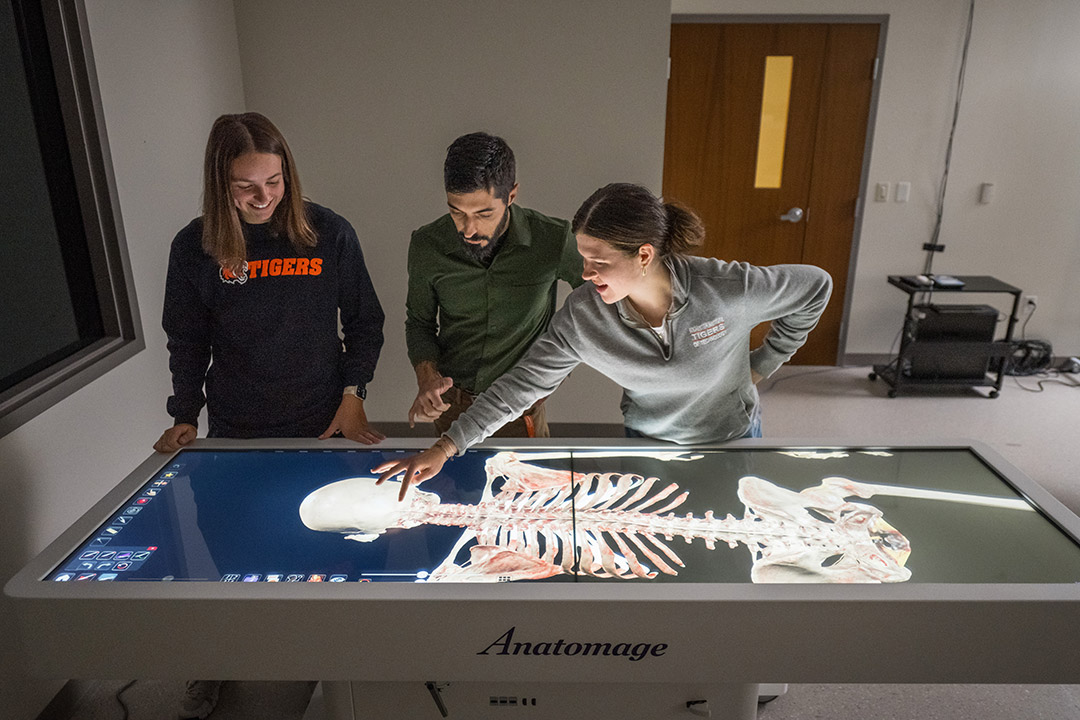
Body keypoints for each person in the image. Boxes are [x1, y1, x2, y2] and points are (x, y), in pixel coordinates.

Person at [377, 183, 832, 500]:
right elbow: (521, 387)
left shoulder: (726, 289)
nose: (586, 273)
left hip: (730, 437)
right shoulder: (585, 315)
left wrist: (763, 363)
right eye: (583, 259)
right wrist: (447, 446)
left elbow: (815, 286)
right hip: (646, 441)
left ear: (644, 256)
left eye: (598, 262)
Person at [153, 112, 385, 718]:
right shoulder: (195, 246)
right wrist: (184, 413)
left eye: (274, 182)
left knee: (334, 558)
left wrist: (353, 392)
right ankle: (222, 668)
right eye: (246, 187)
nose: (263, 199)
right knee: (237, 560)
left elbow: (365, 321)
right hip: (237, 428)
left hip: (323, 422)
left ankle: (340, 673)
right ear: (219, 184)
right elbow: (187, 338)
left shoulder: (327, 233)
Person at [405, 131, 583, 437]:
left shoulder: (552, 239)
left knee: (527, 486)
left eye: (484, 213)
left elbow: (598, 303)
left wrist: (555, 372)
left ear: (511, 196)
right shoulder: (427, 245)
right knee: (451, 485)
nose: (468, 228)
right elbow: (419, 322)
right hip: (453, 407)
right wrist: (427, 379)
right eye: (456, 212)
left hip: (520, 409)